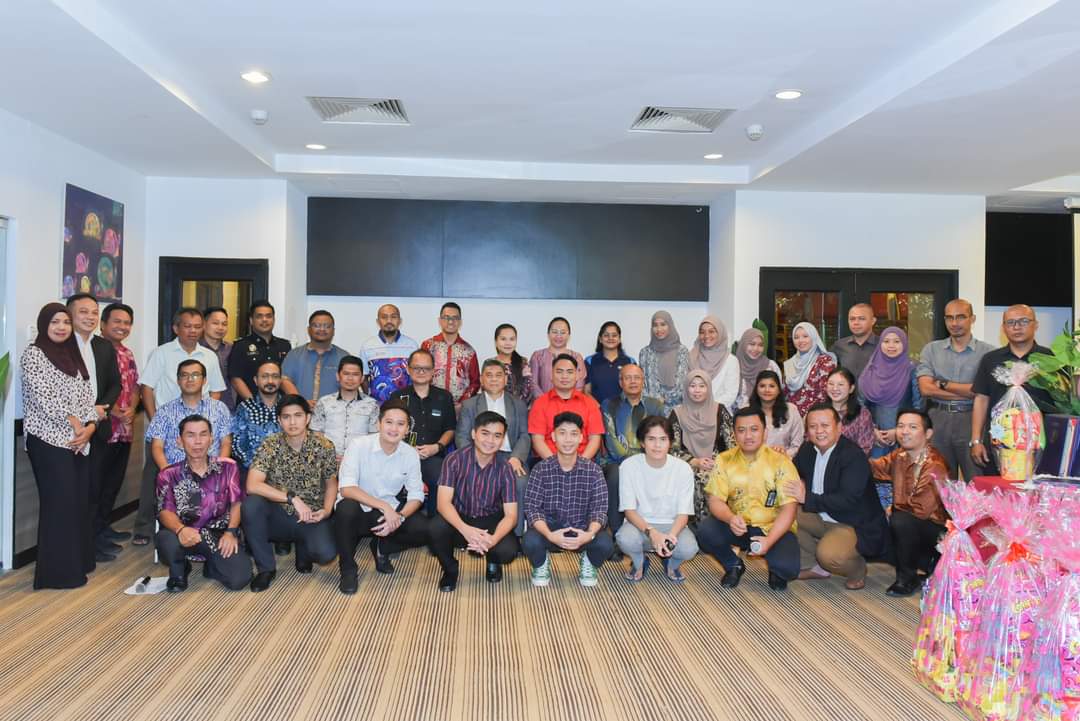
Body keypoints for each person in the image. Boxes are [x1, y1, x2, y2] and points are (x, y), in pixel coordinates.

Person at [20, 303, 98, 589]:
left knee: (77, 503)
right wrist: (76, 424)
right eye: (55, 322)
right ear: (44, 325)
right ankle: (58, 574)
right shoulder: (34, 354)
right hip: (48, 440)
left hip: (78, 441)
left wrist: (89, 427)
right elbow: (44, 397)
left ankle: (78, 563)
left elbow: (87, 396)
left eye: (65, 322)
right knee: (60, 505)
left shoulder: (72, 354)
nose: (61, 327)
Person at [135, 314, 228, 547]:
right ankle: (145, 528)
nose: (193, 331)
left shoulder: (209, 356)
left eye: (197, 326)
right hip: (166, 425)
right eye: (187, 326)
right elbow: (147, 387)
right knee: (153, 476)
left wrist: (208, 415)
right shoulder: (162, 353)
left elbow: (216, 388)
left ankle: (213, 530)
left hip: (202, 429)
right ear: (176, 328)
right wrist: (156, 419)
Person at [696, 408, 801, 590]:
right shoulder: (724, 460)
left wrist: (769, 541)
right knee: (706, 531)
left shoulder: (781, 461)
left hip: (773, 527)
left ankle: (776, 571)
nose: (748, 436)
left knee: (787, 568)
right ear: (734, 434)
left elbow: (789, 509)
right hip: (739, 526)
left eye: (754, 429)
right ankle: (733, 565)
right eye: (741, 430)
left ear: (765, 432)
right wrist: (730, 518)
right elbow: (715, 500)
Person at [788, 404, 890, 590]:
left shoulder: (853, 456)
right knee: (783, 514)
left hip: (851, 523)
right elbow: (793, 474)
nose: (819, 431)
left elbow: (847, 500)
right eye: (813, 426)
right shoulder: (807, 450)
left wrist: (806, 498)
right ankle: (814, 566)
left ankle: (857, 569)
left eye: (825, 425)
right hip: (820, 515)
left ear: (839, 427)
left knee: (830, 556)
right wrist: (779, 460)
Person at [242, 395, 339, 592]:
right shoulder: (270, 444)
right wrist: (292, 498)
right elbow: (252, 484)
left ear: (308, 418)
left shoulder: (324, 446)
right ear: (279, 420)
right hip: (278, 513)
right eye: (286, 417)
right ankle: (266, 569)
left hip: (311, 515)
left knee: (326, 554)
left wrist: (327, 511)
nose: (292, 422)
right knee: (251, 505)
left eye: (298, 415)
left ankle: (303, 547)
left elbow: (331, 484)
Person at [334, 401, 431, 594]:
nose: (394, 429)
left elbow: (416, 495)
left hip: (388, 513)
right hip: (359, 509)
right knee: (346, 508)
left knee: (424, 529)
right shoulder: (358, 445)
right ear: (379, 424)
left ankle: (382, 547)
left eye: (400, 424)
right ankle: (348, 569)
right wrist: (384, 507)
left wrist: (400, 517)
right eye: (389, 422)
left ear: (407, 429)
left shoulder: (410, 454)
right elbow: (346, 488)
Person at [155, 415, 251, 592]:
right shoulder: (168, 474)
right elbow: (164, 511)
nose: (197, 441)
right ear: (179, 441)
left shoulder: (229, 467)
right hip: (184, 533)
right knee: (166, 540)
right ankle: (179, 570)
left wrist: (231, 532)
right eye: (190, 435)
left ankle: (212, 566)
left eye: (203, 434)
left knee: (239, 579)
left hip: (218, 535)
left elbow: (236, 503)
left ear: (211, 439)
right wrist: (180, 529)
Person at [429, 411, 521, 592]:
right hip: (459, 517)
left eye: (497, 436)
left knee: (508, 551)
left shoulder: (505, 468)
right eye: (485, 433)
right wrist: (465, 530)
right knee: (435, 528)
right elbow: (443, 503)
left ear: (502, 440)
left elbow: (511, 516)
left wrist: (492, 540)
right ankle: (450, 569)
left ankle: (493, 561)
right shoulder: (454, 459)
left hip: (490, 520)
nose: (490, 440)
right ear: (473, 434)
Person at [523, 412, 614, 587]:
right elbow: (532, 509)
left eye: (573, 434)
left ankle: (589, 561)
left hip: (582, 530)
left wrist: (588, 535)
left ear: (581, 438)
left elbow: (599, 510)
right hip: (550, 531)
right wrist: (550, 535)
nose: (567, 440)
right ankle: (541, 563)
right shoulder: (541, 469)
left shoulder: (594, 471)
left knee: (605, 544)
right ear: (553, 436)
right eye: (562, 433)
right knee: (530, 541)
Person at [66, 293, 122, 561]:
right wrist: (85, 417)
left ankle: (92, 543)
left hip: (98, 428)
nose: (90, 317)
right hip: (70, 431)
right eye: (83, 312)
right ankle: (77, 547)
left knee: (94, 490)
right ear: (69, 314)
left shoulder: (103, 346)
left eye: (93, 312)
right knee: (74, 493)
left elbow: (115, 384)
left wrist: (101, 411)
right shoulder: (61, 345)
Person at [869, 409, 949, 597]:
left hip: (936, 531)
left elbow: (921, 510)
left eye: (912, 427)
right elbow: (875, 468)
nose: (904, 431)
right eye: (900, 426)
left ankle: (907, 578)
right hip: (912, 525)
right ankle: (924, 565)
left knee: (900, 521)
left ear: (928, 434)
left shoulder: (934, 464)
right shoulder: (900, 455)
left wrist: (892, 509)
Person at [916, 299, 993, 482]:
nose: (954, 323)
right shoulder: (931, 350)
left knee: (976, 482)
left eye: (960, 317)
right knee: (939, 483)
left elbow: (982, 392)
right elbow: (925, 388)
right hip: (938, 420)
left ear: (972, 319)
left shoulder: (988, 353)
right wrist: (969, 392)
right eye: (949, 318)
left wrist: (943, 384)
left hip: (973, 421)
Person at [616, 416, 698, 583]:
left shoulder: (683, 469)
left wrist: (670, 537)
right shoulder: (629, 466)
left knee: (689, 549)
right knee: (624, 539)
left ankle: (672, 564)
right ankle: (639, 562)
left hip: (672, 525)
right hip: (640, 525)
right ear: (642, 442)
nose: (657, 445)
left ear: (670, 442)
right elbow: (629, 511)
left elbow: (684, 513)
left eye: (663, 439)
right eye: (651, 439)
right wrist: (652, 533)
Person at [387, 349, 457, 515]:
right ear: (408, 369)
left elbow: (450, 429)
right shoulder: (398, 397)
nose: (421, 372)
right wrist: (408, 450)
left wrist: (437, 447)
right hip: (402, 456)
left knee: (441, 476)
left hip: (433, 456)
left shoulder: (444, 397)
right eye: (416, 368)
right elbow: (390, 430)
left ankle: (435, 520)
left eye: (426, 368)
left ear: (433, 371)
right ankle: (397, 518)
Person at [599, 364, 664, 538]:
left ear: (643, 381)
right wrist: (634, 461)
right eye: (628, 378)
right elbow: (612, 443)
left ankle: (654, 529)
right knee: (615, 474)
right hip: (616, 461)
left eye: (637, 377)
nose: (633, 381)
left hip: (649, 459)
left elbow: (660, 437)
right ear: (621, 382)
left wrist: (645, 460)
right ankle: (616, 531)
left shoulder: (655, 406)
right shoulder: (609, 405)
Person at [859, 327, 922, 506]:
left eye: (897, 341)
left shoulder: (912, 369)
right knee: (875, 480)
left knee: (904, 483)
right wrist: (872, 430)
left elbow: (919, 405)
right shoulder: (871, 369)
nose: (891, 345)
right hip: (876, 438)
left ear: (905, 344)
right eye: (886, 341)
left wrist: (899, 431)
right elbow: (861, 404)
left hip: (905, 437)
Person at [96, 302, 139, 548]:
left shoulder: (127, 353)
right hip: (103, 428)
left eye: (127, 323)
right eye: (117, 321)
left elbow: (134, 386)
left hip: (125, 429)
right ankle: (93, 535)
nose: (123, 326)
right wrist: (113, 411)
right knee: (97, 484)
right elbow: (93, 390)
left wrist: (132, 408)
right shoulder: (94, 350)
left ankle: (103, 527)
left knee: (112, 483)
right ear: (103, 324)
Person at [669, 369, 735, 523]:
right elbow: (672, 448)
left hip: (717, 462)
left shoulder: (720, 410)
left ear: (709, 388)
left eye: (702, 386)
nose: (697, 390)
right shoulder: (677, 413)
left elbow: (732, 444)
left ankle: (716, 525)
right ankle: (699, 526)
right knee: (699, 477)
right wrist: (694, 461)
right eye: (692, 386)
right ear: (686, 388)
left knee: (713, 476)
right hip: (687, 463)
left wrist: (719, 462)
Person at [146, 359, 233, 469]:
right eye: (184, 375)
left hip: (213, 472)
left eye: (195, 375)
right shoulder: (164, 411)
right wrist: (168, 473)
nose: (190, 379)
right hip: (175, 473)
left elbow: (226, 443)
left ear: (204, 380)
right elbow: (157, 446)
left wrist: (218, 470)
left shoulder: (220, 408)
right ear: (178, 381)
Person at [455, 358, 530, 486]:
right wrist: (474, 458)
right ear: (481, 380)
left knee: (520, 482)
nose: (494, 379)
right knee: (472, 480)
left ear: (505, 379)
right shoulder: (469, 405)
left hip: (509, 456)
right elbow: (461, 436)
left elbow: (524, 435)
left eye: (498, 375)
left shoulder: (519, 405)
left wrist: (516, 457)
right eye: (489, 375)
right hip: (479, 454)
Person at [528, 353, 604, 461]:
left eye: (569, 372)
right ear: (551, 375)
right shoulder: (540, 403)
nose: (564, 376)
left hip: (583, 462)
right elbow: (538, 440)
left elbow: (595, 439)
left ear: (577, 376)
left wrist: (580, 464)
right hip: (548, 462)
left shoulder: (590, 404)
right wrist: (554, 464)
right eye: (559, 372)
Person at [227, 300, 297, 403]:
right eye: (259, 316)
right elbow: (236, 379)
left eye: (268, 316)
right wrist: (253, 404)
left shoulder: (285, 345)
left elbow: (287, 378)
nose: (264, 320)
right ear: (251, 320)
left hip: (280, 406)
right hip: (250, 406)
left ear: (274, 319)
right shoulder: (241, 345)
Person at [311, 355, 379, 460]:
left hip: (360, 461)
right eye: (346, 373)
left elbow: (374, 437)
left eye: (355, 374)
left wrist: (352, 459)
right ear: (338, 376)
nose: (350, 378)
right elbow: (316, 434)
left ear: (362, 378)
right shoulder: (324, 402)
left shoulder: (372, 405)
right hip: (328, 461)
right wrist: (330, 456)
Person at [282, 310, 351, 403]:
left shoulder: (343, 357)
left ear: (333, 331)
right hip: (300, 410)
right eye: (317, 326)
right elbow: (284, 380)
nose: (322, 329)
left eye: (327, 326)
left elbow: (350, 384)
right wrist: (301, 403)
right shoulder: (294, 355)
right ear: (308, 330)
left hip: (334, 410)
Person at [422, 301, 479, 408]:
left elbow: (475, 382)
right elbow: (422, 374)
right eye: (446, 317)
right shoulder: (428, 346)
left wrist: (462, 404)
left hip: (460, 408)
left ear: (460, 322)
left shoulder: (468, 351)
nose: (451, 321)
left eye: (455, 318)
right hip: (431, 404)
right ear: (440, 320)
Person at [360, 303, 419, 404]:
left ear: (400, 321)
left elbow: (416, 375)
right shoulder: (367, 346)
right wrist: (368, 399)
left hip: (405, 405)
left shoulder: (412, 345)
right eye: (384, 317)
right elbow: (364, 377)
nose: (389, 321)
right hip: (377, 406)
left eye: (393, 317)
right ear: (378, 321)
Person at [231, 361, 284, 469]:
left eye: (275, 376)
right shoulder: (245, 407)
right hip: (251, 469)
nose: (270, 381)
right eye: (265, 376)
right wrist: (258, 468)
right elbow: (237, 445)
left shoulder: (289, 407)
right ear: (256, 380)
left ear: (280, 380)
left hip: (285, 470)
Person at [639, 310, 690, 412]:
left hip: (676, 410)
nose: (659, 329)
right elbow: (642, 383)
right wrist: (655, 400)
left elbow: (682, 384)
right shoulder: (645, 353)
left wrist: (665, 399)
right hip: (651, 409)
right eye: (655, 325)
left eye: (663, 324)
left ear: (670, 326)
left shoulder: (681, 351)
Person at [784, 321, 836, 416]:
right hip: (791, 417)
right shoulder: (790, 363)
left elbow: (825, 394)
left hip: (815, 417)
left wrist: (810, 416)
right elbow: (785, 393)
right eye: (796, 337)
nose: (800, 340)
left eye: (805, 336)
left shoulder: (825, 361)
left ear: (813, 337)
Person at [747, 370, 803, 458]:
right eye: (762, 386)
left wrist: (782, 454)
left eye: (772, 386)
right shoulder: (747, 411)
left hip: (784, 461)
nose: (767, 390)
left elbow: (798, 445)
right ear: (756, 389)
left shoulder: (791, 410)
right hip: (754, 461)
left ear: (779, 390)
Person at [689, 315, 739, 409]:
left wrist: (707, 408)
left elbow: (730, 394)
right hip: (692, 411)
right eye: (702, 332)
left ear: (720, 333)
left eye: (711, 331)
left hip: (719, 412)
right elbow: (685, 387)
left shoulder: (731, 361)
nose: (706, 336)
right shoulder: (692, 356)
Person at [528, 317, 586, 399]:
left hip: (571, 404)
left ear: (569, 335)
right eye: (554, 332)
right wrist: (546, 402)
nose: (558, 336)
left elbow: (579, 386)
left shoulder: (576, 357)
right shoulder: (538, 356)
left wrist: (567, 403)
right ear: (548, 334)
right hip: (543, 403)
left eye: (563, 332)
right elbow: (533, 384)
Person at [826, 368, 876, 456]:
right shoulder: (819, 412)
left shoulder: (862, 414)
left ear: (851, 388)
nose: (835, 388)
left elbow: (866, 448)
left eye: (840, 384)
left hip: (850, 462)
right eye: (831, 384)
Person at [585, 321, 635, 407]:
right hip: (597, 410)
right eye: (606, 335)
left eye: (614, 335)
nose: (610, 338)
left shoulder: (630, 362)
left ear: (619, 339)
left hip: (624, 410)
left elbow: (634, 389)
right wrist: (599, 408)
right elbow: (586, 391)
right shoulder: (590, 361)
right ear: (600, 339)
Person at [734, 327, 781, 410]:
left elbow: (779, 392)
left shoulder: (771, 366)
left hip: (768, 413)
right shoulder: (734, 366)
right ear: (744, 344)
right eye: (752, 344)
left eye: (760, 345)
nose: (756, 349)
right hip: (739, 415)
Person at [200, 306, 235, 411]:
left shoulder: (232, 349)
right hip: (202, 407)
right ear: (204, 324)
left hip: (228, 406)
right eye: (215, 323)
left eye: (224, 324)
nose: (220, 328)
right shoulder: (196, 350)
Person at [831, 303, 879, 379]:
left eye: (862, 318)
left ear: (873, 321)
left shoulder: (883, 346)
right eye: (852, 319)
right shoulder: (839, 346)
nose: (856, 323)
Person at [493, 323, 533, 405]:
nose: (508, 343)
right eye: (503, 339)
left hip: (519, 409)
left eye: (512, 339)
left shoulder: (523, 363)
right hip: (495, 409)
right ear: (496, 341)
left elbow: (528, 393)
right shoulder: (490, 364)